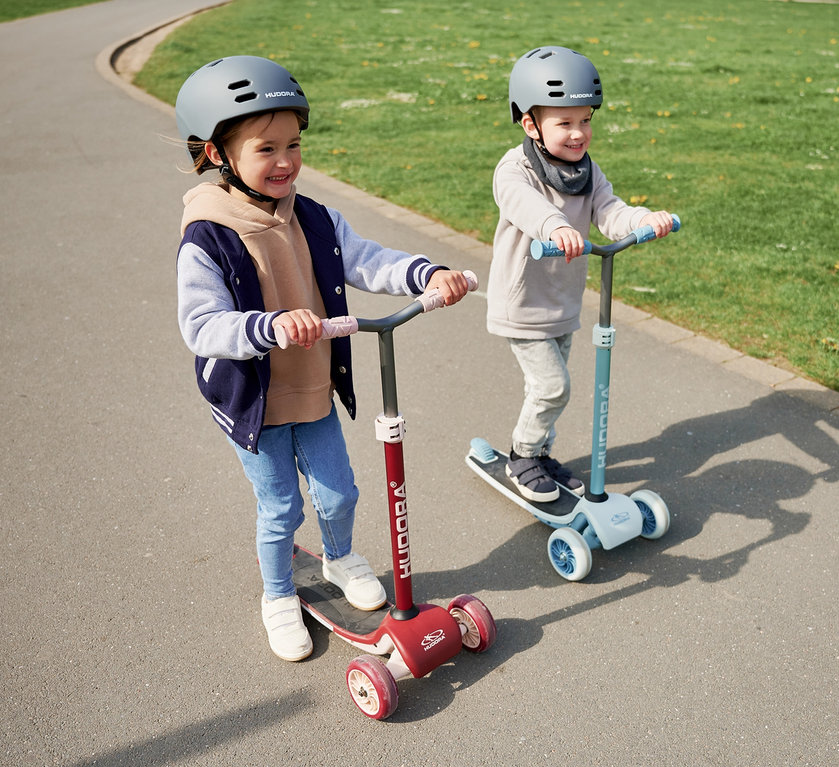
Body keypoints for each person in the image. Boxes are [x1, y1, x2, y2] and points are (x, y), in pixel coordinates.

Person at [174, 56, 470, 661]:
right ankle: (279, 595)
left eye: (294, 144)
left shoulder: (314, 217)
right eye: (266, 148)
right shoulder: (208, 234)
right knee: (280, 504)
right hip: (255, 399)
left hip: (310, 385)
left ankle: (339, 558)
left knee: (339, 493)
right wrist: (269, 325)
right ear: (216, 154)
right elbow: (200, 325)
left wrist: (427, 273)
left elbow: (368, 260)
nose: (286, 161)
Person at [487, 46, 674, 503]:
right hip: (524, 303)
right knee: (553, 387)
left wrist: (644, 220)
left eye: (585, 120)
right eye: (564, 123)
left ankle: (542, 453)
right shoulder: (515, 169)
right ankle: (522, 454)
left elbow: (610, 211)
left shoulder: (587, 171)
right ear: (530, 124)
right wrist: (554, 225)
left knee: (549, 389)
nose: (578, 134)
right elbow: (522, 204)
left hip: (563, 302)